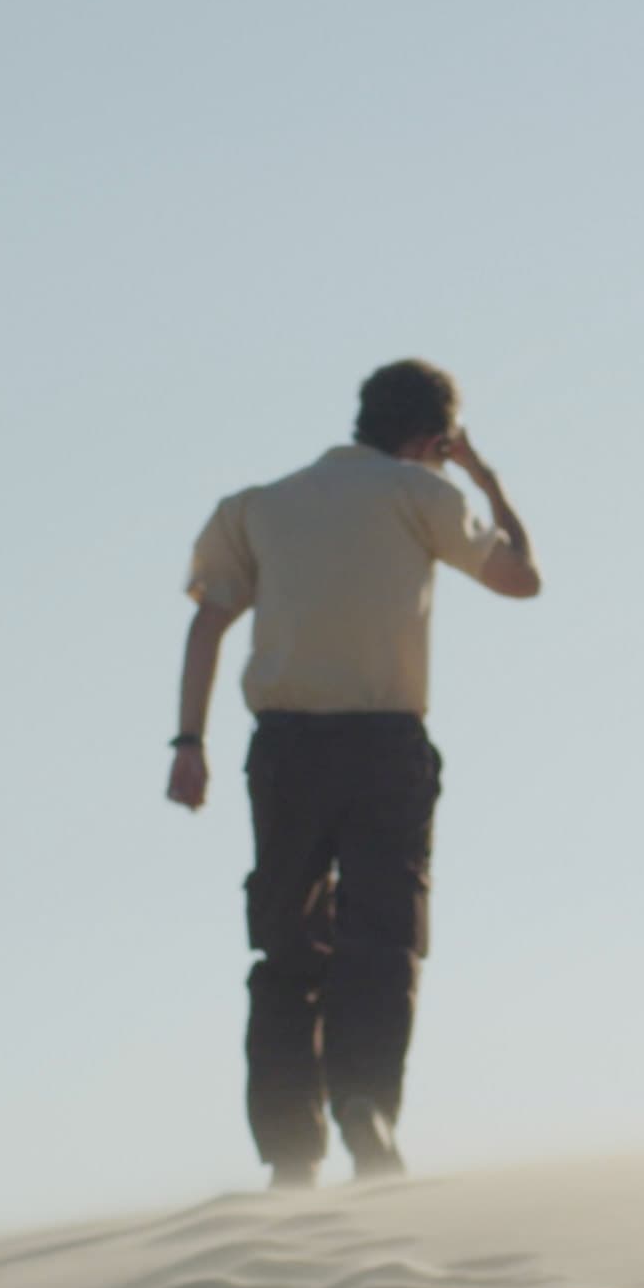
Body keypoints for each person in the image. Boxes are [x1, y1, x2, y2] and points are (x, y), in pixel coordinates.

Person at [166, 359, 542, 1188]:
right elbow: (523, 578)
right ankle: (368, 1116)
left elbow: (208, 626)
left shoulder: (259, 506)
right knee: (384, 940)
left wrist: (186, 742)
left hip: (287, 749)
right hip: (383, 745)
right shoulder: (426, 496)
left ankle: (290, 1156)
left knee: (285, 945)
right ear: (434, 439)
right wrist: (487, 480)